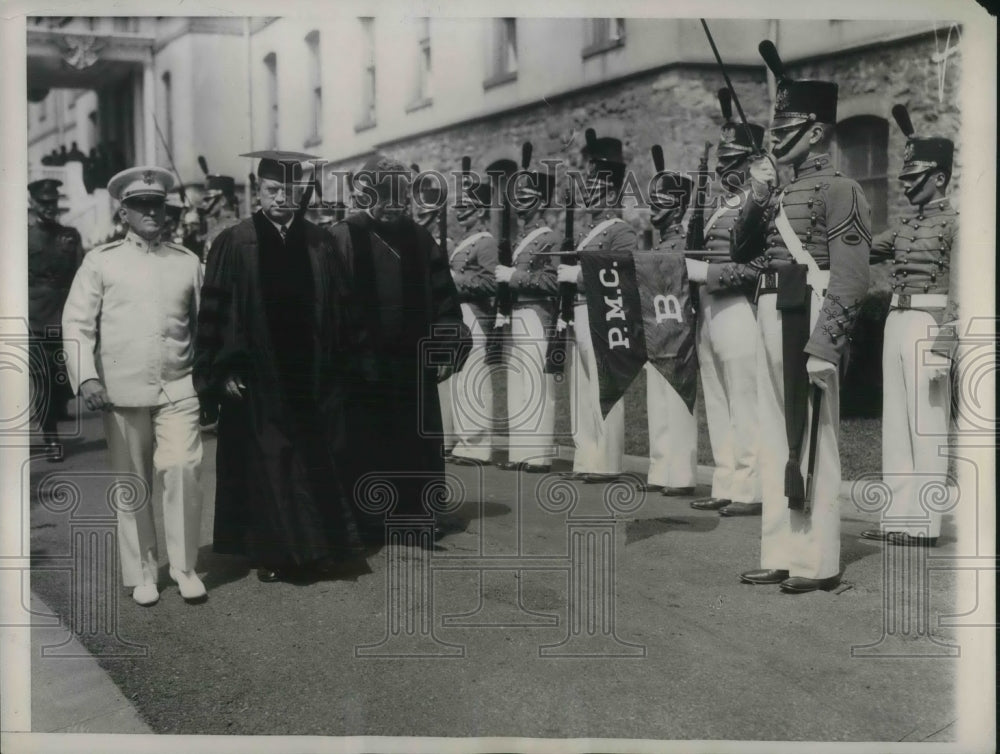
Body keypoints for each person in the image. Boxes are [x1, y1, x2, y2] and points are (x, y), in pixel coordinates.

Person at [730, 42, 871, 594]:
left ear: (815, 132)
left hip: (806, 311)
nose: (772, 136)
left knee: (814, 436)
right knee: (775, 434)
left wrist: (826, 343)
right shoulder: (776, 190)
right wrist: (758, 189)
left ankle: (817, 561)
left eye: (784, 127)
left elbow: (853, 277)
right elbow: (742, 250)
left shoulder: (841, 189)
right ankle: (781, 552)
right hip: (770, 305)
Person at [194, 150, 365, 583]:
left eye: (289, 190)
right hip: (258, 376)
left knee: (313, 458)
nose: (281, 198)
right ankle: (274, 554)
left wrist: (345, 366)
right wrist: (223, 370)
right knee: (270, 462)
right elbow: (216, 311)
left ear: (302, 192)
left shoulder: (319, 241)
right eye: (272, 189)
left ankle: (320, 550)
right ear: (258, 189)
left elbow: (344, 310)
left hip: (313, 374)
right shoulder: (234, 241)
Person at [62, 166, 206, 606]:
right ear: (124, 212)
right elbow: (77, 323)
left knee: (182, 468)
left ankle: (183, 568)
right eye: (141, 205)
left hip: (178, 385)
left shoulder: (186, 262)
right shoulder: (101, 261)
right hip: (121, 392)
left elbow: (203, 327)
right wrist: (85, 375)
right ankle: (143, 570)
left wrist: (207, 377)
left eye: (157, 204)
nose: (151, 212)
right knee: (133, 482)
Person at [326, 154, 471, 542]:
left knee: (413, 441)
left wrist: (445, 348)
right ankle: (364, 520)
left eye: (399, 196)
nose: (392, 205)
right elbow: (328, 305)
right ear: (365, 194)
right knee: (362, 440)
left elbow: (445, 301)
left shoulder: (420, 239)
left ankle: (414, 517)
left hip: (411, 366)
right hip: (360, 364)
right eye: (383, 195)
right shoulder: (343, 236)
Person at [861, 106, 958, 548]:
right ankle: (897, 518)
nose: (905, 184)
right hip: (896, 322)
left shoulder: (956, 225)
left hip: (928, 323)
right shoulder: (903, 226)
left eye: (914, 176)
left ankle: (925, 524)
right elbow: (859, 249)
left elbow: (966, 288)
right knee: (896, 422)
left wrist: (947, 341)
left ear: (938, 178)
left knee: (927, 424)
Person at [686, 89, 767, 517]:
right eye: (721, 163)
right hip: (709, 310)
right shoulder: (720, 208)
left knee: (743, 398)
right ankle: (726, 480)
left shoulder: (760, 205)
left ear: (750, 162)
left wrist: (709, 274)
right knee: (717, 397)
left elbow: (759, 267)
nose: (722, 170)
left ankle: (751, 487)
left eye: (731, 163)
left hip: (738, 306)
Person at [557, 122, 635, 484]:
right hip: (580, 313)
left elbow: (621, 274)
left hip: (604, 314)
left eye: (598, 191)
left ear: (612, 193)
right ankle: (586, 457)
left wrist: (579, 276)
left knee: (603, 388)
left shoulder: (621, 230)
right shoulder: (589, 232)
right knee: (581, 390)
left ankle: (607, 460)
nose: (592, 197)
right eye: (591, 190)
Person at [494, 145, 560, 473]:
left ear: (542, 201)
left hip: (537, 312)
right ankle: (521, 451)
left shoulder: (549, 238)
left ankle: (538, 454)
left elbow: (552, 282)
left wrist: (514, 277)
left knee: (535, 381)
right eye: (518, 197)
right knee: (518, 383)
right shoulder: (520, 238)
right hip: (517, 314)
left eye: (528, 197)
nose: (520, 203)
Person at [638, 166, 698, 495]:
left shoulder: (685, 243)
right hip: (657, 328)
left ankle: (682, 474)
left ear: (677, 208)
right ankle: (661, 469)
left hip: (679, 329)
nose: (652, 210)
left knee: (677, 402)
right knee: (658, 403)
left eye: (659, 203)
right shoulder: (661, 245)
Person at [438, 157, 500, 466]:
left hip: (477, 314)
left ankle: (479, 444)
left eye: (467, 207)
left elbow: (490, 283)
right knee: (461, 378)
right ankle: (465, 441)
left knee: (475, 377)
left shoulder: (486, 242)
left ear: (481, 211)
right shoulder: (463, 243)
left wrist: (456, 280)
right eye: (459, 207)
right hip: (462, 315)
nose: (461, 212)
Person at [27, 178, 83, 461]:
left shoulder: (70, 236)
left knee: (63, 379)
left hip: (66, 315)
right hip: (34, 318)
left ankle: (58, 409)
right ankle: (50, 439)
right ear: (32, 204)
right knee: (42, 379)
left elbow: (81, 274)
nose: (49, 208)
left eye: (53, 202)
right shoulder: (22, 237)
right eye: (43, 203)